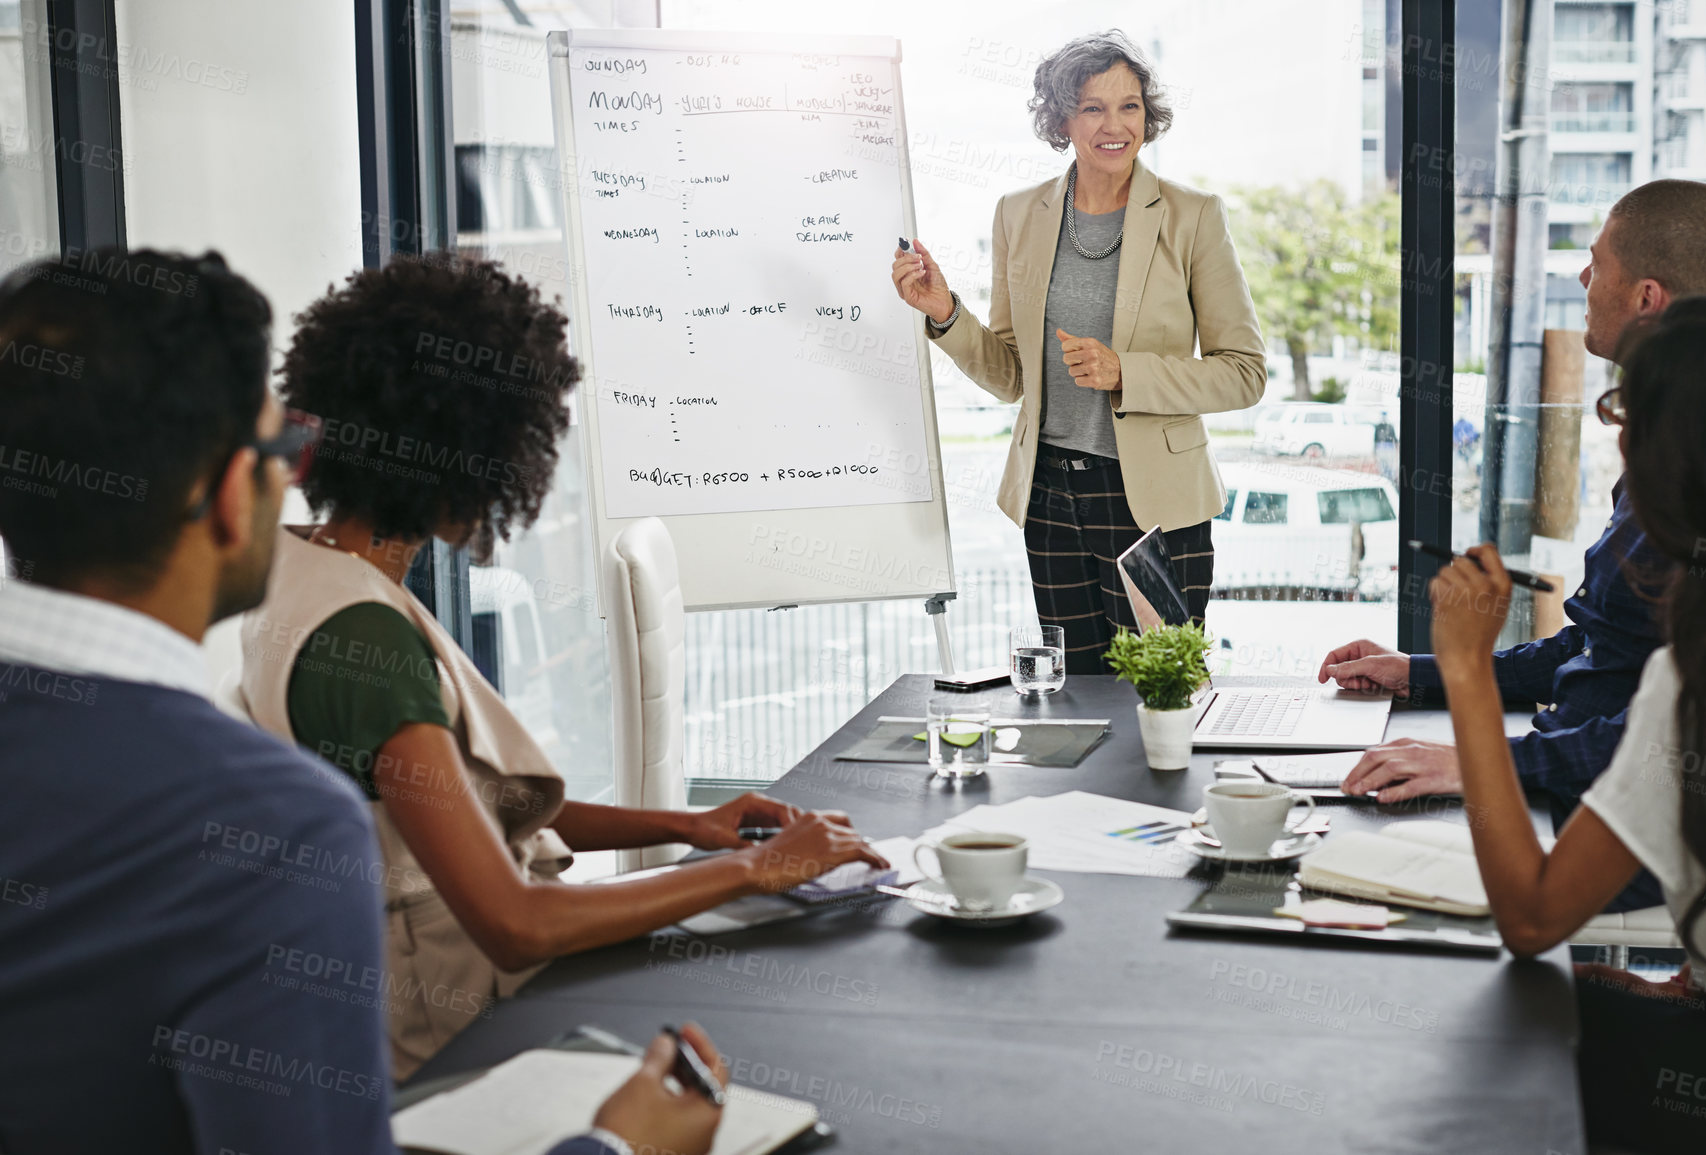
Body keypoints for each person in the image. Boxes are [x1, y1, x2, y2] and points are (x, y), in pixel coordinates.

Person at [0, 248, 725, 1155]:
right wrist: (621, 1150)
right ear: (231, 493)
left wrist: (693, 829)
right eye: (284, 449)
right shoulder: (278, 825)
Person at [239, 254, 887, 1079]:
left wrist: (688, 826)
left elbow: (461, 805)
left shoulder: (301, 577)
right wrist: (761, 866)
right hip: (453, 1037)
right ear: (465, 451)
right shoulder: (364, 644)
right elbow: (517, 922)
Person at [1317, 180, 1706, 909]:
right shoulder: (1682, 453)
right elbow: (1600, 650)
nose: (1580, 280)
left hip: (1611, 819)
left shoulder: (1700, 485)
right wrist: (1421, 672)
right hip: (1576, 786)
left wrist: (1476, 755)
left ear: (1646, 298)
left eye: (1595, 263)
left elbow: (1673, 744)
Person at [1423, 298, 1706, 1153]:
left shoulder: (1700, 678)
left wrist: (1464, 670)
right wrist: (1684, 984)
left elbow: (1528, 919)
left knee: (1486, 1028)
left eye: (1627, 415)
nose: (1619, 442)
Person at [890, 30, 1264, 674]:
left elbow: (1245, 374)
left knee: (1161, 693)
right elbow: (1012, 376)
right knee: (1083, 702)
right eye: (1093, 107)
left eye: (1130, 106)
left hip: (1153, 504)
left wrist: (1128, 373)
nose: (1114, 125)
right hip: (1051, 497)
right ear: (1061, 119)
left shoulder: (1192, 215)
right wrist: (946, 315)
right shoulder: (1018, 214)